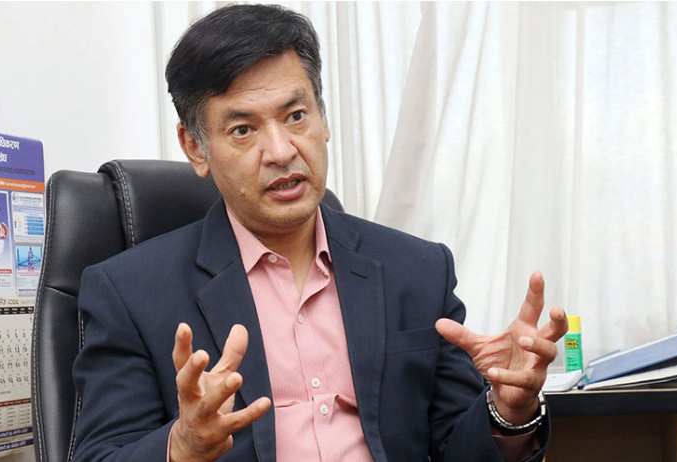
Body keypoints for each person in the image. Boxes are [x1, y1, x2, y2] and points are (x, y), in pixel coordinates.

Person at [72, 4, 568, 462]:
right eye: (243, 130)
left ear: (323, 118)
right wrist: (181, 446)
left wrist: (509, 409)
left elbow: (457, 450)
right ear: (195, 147)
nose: (281, 151)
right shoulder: (130, 293)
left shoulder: (418, 271)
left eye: (296, 116)